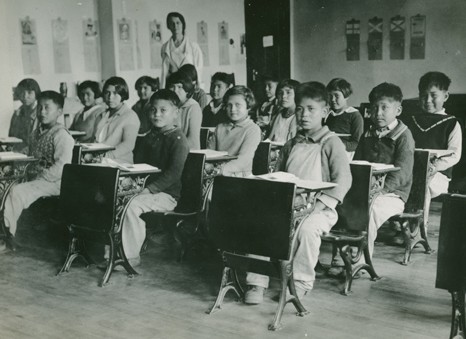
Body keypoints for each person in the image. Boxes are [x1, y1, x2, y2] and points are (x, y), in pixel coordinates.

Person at [245, 82, 351, 304]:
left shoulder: (332, 143)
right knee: (259, 223)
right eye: (300, 109)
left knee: (306, 230)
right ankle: (256, 281)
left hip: (320, 208)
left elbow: (343, 180)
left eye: (311, 109)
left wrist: (317, 206)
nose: (304, 115)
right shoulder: (292, 143)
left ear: (325, 112)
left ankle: (301, 282)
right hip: (290, 203)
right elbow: (281, 175)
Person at [121, 89, 190, 267]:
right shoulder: (150, 136)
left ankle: (130, 257)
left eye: (163, 110)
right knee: (118, 199)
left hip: (166, 196)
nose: (156, 114)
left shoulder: (178, 139)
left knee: (130, 205)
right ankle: (114, 253)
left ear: (176, 113)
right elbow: (138, 163)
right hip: (145, 191)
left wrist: (147, 190)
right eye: (153, 110)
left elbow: (174, 174)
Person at [1, 91, 74, 252]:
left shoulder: (62, 135)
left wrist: (38, 177)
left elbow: (62, 166)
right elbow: (30, 153)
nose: (42, 112)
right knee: (3, 186)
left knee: (16, 192)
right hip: (36, 179)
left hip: (54, 182)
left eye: (47, 108)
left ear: (59, 112)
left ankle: (7, 236)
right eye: (40, 107)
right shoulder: (36, 132)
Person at [353, 82, 415, 261]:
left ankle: (363, 258)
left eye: (384, 108)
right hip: (367, 190)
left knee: (369, 210)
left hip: (393, 194)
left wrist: (379, 191)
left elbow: (402, 173)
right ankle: (345, 251)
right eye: (374, 108)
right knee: (344, 204)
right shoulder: (368, 133)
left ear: (398, 110)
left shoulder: (404, 135)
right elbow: (357, 163)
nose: (378, 113)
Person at [405, 72, 462, 226]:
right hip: (410, 170)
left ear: (446, 96)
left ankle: (417, 225)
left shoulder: (451, 123)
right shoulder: (411, 120)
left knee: (423, 183)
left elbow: (454, 155)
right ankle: (399, 221)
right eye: (423, 96)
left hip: (437, 175)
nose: (428, 100)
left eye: (433, 95)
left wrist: (432, 167)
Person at [207, 86, 261, 177]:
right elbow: (209, 153)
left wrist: (218, 170)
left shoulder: (252, 129)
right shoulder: (220, 127)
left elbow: (243, 160)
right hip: (217, 174)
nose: (232, 109)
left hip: (239, 177)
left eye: (238, 105)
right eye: (229, 105)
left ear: (248, 106)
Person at [95, 76, 140, 164]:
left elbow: (128, 145)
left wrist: (105, 156)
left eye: (115, 93)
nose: (110, 97)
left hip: (119, 163)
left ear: (122, 94)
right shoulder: (102, 114)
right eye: (107, 93)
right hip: (100, 161)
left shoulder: (130, 116)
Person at [160, 12, 203, 89]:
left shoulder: (193, 46)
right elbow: (165, 72)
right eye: (172, 23)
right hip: (173, 86)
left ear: (183, 24)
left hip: (189, 86)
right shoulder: (165, 47)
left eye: (178, 23)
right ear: (168, 26)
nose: (175, 26)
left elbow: (198, 69)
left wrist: (198, 86)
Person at [325, 78, 364, 159]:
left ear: (346, 96)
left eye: (336, 96)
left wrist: (337, 145)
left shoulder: (354, 115)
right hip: (327, 150)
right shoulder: (327, 114)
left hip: (344, 154)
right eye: (330, 96)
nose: (332, 100)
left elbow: (357, 143)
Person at [167, 71, 202, 150]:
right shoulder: (169, 105)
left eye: (179, 87)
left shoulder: (193, 107)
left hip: (188, 152)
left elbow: (193, 140)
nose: (175, 90)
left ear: (187, 89)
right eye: (172, 86)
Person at [8, 78, 41, 152]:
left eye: (29, 92)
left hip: (33, 153)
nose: (25, 96)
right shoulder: (17, 114)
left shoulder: (40, 114)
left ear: (36, 94)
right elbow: (11, 137)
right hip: (17, 152)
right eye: (22, 93)